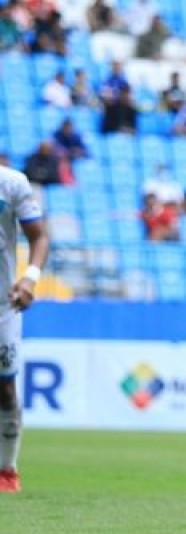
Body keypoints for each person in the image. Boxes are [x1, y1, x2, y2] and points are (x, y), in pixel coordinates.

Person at [0, 164, 50, 493]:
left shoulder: (11, 182)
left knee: (4, 388)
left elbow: (39, 236)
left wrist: (30, 279)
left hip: (2, 303)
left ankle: (6, 470)